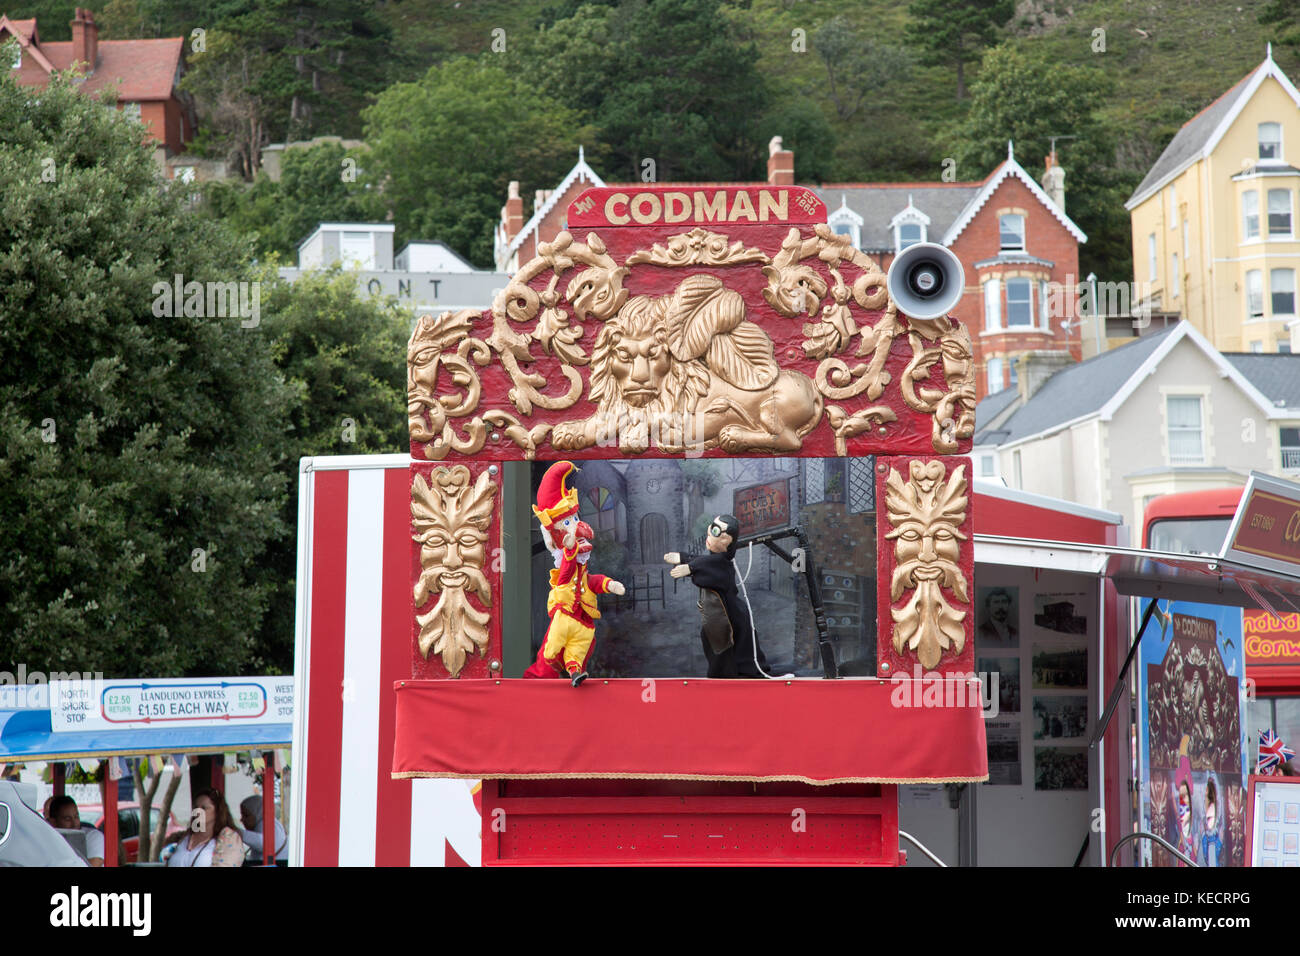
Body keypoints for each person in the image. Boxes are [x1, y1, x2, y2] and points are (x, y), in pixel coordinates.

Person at [665, 514, 777, 679]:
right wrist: (684, 559)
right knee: (717, 645)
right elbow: (705, 563)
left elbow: (708, 567)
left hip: (727, 617)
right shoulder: (714, 562)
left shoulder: (723, 565)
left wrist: (690, 568)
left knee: (724, 647)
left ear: (726, 541)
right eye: (711, 528)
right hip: (717, 615)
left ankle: (730, 678)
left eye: (716, 532)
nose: (710, 534)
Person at [166, 787, 244, 867]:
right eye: (196, 807)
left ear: (217, 811)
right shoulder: (186, 837)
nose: (198, 811)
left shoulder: (229, 838)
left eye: (204, 808)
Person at [46, 795, 104, 866]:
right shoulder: (48, 838)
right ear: (53, 822)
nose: (74, 823)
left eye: (76, 817)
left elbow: (93, 864)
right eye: (67, 819)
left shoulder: (93, 836)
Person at [238, 796, 288, 866]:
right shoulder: (264, 824)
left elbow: (263, 843)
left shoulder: (269, 824)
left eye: (246, 815)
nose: (242, 819)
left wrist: (238, 832)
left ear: (257, 813)